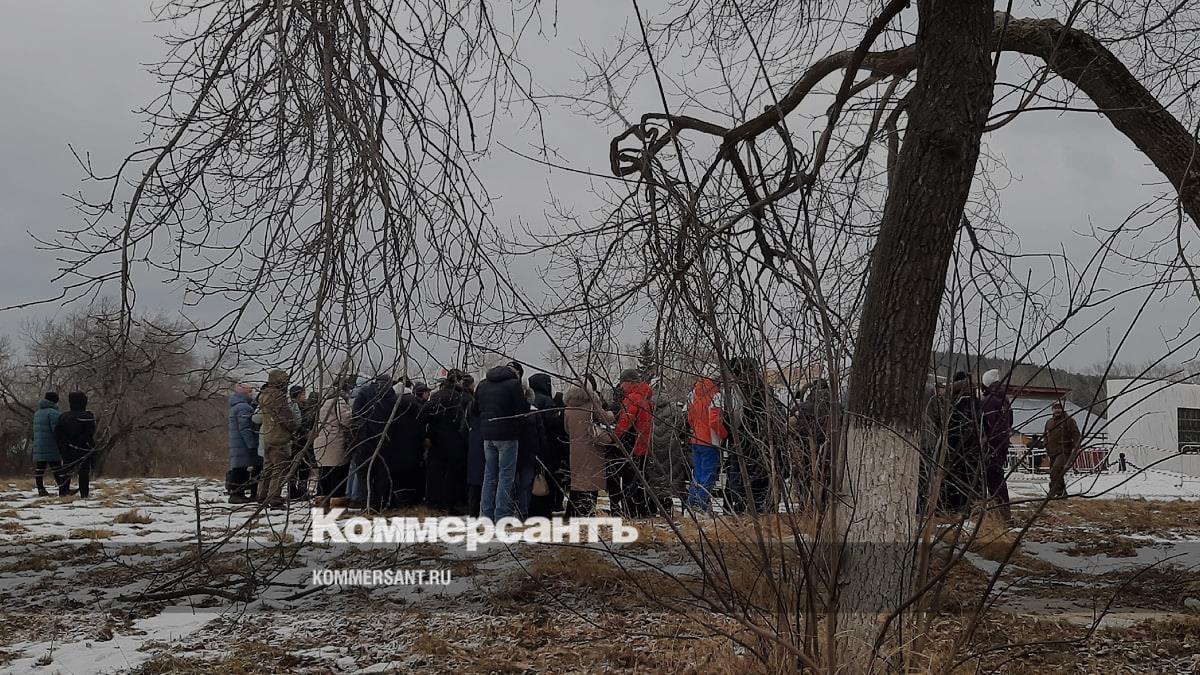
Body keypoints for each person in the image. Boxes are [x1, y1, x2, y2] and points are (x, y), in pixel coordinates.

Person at [475, 362, 529, 520]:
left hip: (487, 435)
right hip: (508, 435)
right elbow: (523, 409)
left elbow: (475, 410)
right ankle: (502, 515)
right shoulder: (513, 385)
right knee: (506, 476)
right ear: (515, 373)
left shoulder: (482, 384)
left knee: (489, 476)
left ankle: (486, 514)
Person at [723, 358, 774, 514]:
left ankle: (738, 507)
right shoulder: (764, 390)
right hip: (760, 442)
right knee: (758, 478)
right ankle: (756, 507)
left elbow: (733, 418)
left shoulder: (738, 391)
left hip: (742, 440)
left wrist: (728, 431)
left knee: (738, 476)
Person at [421, 370, 471, 514]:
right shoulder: (462, 398)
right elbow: (466, 421)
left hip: (436, 441)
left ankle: (433, 503)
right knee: (453, 475)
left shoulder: (436, 395)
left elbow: (424, 415)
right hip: (456, 441)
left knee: (435, 473)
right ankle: (450, 504)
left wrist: (429, 435)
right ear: (459, 381)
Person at [565, 375, 615, 517]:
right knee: (592, 481)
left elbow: (567, 429)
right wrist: (611, 413)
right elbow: (606, 418)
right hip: (592, 448)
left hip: (575, 448)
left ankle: (575, 512)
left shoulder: (568, 407)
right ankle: (588, 511)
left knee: (578, 481)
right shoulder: (592, 405)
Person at [350, 375, 398, 511]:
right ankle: (377, 505)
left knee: (363, 473)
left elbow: (356, 415)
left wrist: (358, 433)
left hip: (365, 439)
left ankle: (364, 502)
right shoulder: (392, 396)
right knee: (381, 474)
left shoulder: (364, 392)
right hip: (384, 441)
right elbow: (395, 420)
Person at [613, 368, 654, 517]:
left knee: (629, 481)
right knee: (641, 481)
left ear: (629, 382)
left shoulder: (632, 398)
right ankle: (642, 511)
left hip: (633, 446)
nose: (621, 386)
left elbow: (625, 422)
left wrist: (615, 437)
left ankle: (630, 512)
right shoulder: (646, 398)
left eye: (622, 382)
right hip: (643, 445)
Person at [940, 372, 983, 513]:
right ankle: (968, 506)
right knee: (969, 477)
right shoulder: (976, 402)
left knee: (956, 477)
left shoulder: (957, 402)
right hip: (973, 447)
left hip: (956, 446)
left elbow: (952, 425)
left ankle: (955, 507)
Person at [528, 373, 569, 517]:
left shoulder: (530, 400)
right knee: (547, 478)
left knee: (533, 478)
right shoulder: (547, 402)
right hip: (548, 445)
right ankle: (545, 509)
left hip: (532, 444)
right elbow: (554, 425)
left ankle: (532, 507)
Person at [257, 369, 299, 508]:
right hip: (279, 437)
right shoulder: (277, 397)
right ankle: (274, 498)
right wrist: (295, 426)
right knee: (279, 470)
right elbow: (286, 418)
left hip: (268, 436)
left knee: (267, 469)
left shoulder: (264, 395)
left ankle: (262, 496)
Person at [686, 375, 726, 512]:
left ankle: (691, 504)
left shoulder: (694, 394)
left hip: (696, 439)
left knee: (697, 475)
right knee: (708, 476)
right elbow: (714, 421)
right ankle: (701, 506)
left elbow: (689, 417)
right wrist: (724, 434)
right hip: (710, 441)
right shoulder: (716, 396)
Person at [312, 379, 354, 508]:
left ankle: (321, 502)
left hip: (320, 441)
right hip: (334, 441)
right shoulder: (338, 401)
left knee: (324, 474)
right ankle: (337, 503)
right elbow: (346, 420)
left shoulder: (321, 402)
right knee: (338, 473)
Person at [385, 382, 427, 508]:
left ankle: (398, 500)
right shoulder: (417, 405)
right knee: (413, 474)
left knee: (397, 476)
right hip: (414, 447)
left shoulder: (392, 407)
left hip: (395, 448)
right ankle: (413, 500)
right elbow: (422, 426)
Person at [647, 391, 689, 516]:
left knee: (655, 478)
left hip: (653, 448)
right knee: (674, 477)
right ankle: (679, 507)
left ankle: (659, 507)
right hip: (672, 449)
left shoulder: (648, 407)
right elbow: (682, 426)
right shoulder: (674, 409)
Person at [980, 369, 1014, 522]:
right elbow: (1010, 422)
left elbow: (985, 425)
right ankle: (1002, 510)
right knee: (998, 476)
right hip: (1003, 442)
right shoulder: (1005, 399)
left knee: (993, 477)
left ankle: (1000, 513)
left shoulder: (987, 401)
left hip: (991, 444)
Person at [55, 392, 97, 499]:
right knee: (83, 472)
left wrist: (63, 447)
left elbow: (58, 434)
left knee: (66, 470)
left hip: (67, 449)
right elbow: (90, 434)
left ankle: (63, 493)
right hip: (84, 449)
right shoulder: (88, 416)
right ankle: (84, 494)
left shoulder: (63, 416)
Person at [226, 383, 261, 504]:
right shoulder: (244, 408)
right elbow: (245, 428)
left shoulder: (236, 406)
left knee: (239, 468)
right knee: (241, 470)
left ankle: (236, 493)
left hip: (238, 443)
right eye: (251, 391)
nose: (253, 394)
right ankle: (237, 494)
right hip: (243, 444)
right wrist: (252, 444)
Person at [31, 392, 68, 497]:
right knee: (57, 468)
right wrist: (63, 441)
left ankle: (41, 489)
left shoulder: (37, 413)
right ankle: (63, 488)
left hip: (39, 444)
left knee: (40, 468)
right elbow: (57, 430)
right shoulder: (53, 413)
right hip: (51, 444)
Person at [1044, 402, 1081, 498]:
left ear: (1062, 409)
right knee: (1056, 473)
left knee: (1055, 470)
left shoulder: (1069, 420)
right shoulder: (1049, 422)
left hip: (1064, 450)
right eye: (1055, 408)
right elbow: (1045, 436)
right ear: (1052, 410)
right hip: (1052, 451)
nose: (1057, 410)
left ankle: (1053, 492)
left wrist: (1075, 448)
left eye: (1059, 408)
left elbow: (1076, 435)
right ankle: (1062, 493)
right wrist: (1046, 446)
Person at [289, 385, 318, 501]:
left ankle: (302, 489)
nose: (304, 396)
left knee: (305, 467)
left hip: (304, 440)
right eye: (302, 394)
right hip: (296, 440)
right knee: (294, 466)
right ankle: (292, 490)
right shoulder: (293, 407)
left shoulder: (306, 407)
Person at [463, 374, 485, 517]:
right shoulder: (492, 407)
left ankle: (473, 512)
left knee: (475, 481)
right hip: (486, 445)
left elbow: (463, 428)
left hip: (473, 446)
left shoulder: (471, 406)